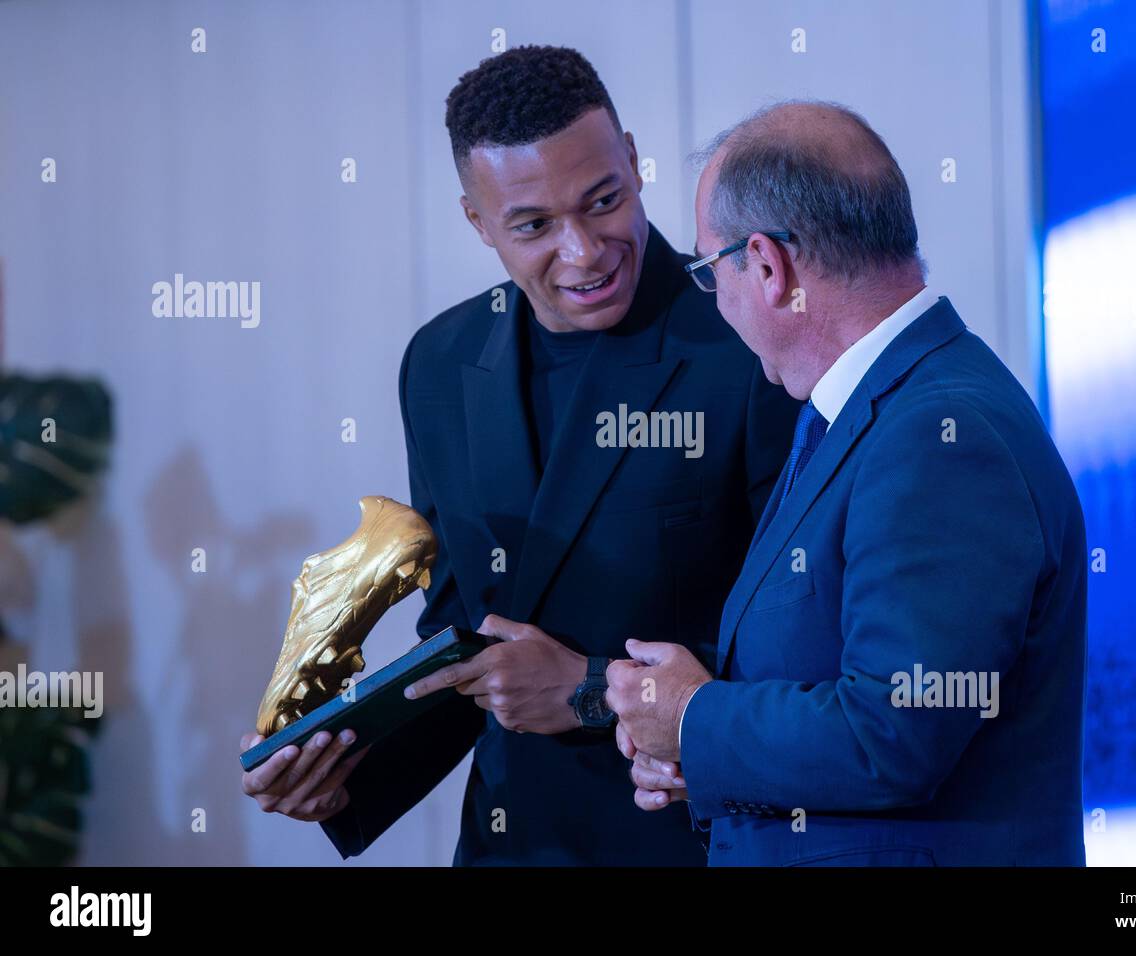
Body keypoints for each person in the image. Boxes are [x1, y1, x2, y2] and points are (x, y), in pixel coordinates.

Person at [239, 46, 797, 865]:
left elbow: (804, 648)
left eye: (603, 201)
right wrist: (341, 774)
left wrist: (589, 691)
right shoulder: (439, 363)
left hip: (696, 839)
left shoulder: (746, 343)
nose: (584, 251)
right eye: (533, 225)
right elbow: (465, 641)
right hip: (509, 840)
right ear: (477, 221)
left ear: (635, 165)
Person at [607, 101, 1088, 866]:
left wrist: (696, 719)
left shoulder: (939, 436)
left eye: (708, 271)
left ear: (767, 266)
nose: (716, 298)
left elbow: (895, 731)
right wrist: (705, 756)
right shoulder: (866, 411)